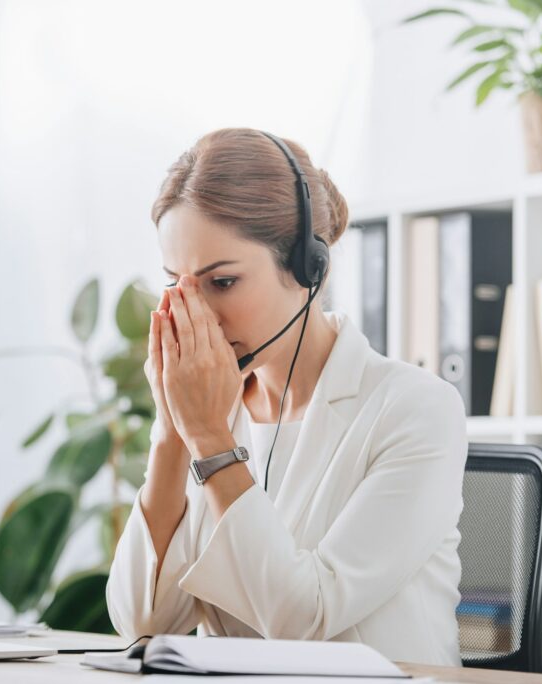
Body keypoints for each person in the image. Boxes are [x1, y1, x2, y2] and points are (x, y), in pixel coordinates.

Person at [106, 128, 467, 666]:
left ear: (307, 268)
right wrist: (170, 431)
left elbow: (304, 618)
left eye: (221, 283)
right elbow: (143, 624)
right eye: (176, 287)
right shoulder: (211, 410)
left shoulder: (415, 410)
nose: (196, 315)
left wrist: (208, 437)